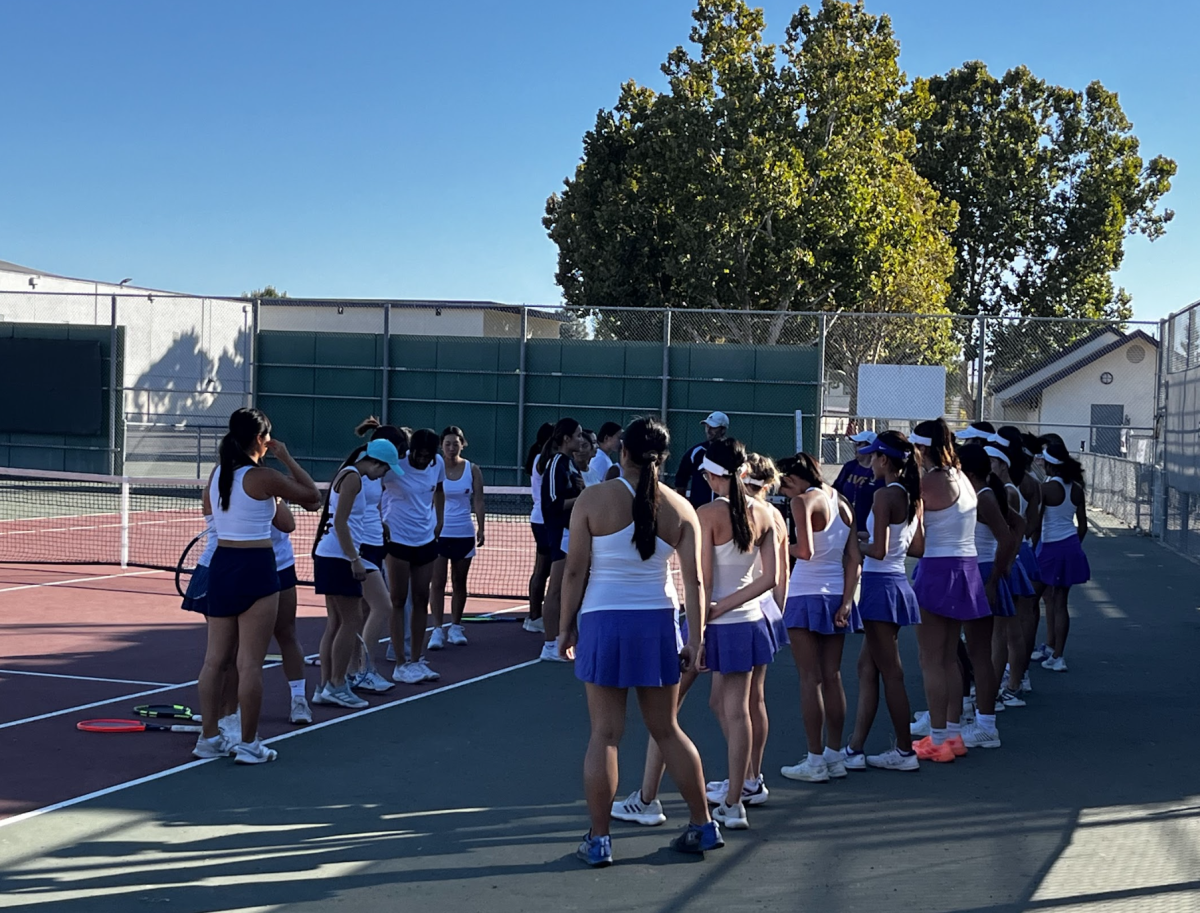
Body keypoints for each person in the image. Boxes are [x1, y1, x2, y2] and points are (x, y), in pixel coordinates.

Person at [558, 417, 722, 865]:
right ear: (664, 458)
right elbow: (695, 584)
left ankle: (599, 840)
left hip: (604, 623)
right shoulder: (682, 508)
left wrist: (564, 626)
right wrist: (696, 638)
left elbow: (574, 570)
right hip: (658, 625)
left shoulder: (593, 499)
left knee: (605, 735)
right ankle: (703, 825)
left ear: (623, 452)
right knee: (667, 729)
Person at [194, 407, 319, 764]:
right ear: (260, 439)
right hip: (256, 567)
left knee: (214, 660)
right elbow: (312, 496)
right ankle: (249, 744)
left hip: (222, 567)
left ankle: (209, 737)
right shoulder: (263, 477)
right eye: (268, 438)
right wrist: (287, 458)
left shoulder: (217, 475)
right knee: (250, 663)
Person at [698, 438, 778, 831]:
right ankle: (740, 787)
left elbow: (703, 582)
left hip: (722, 624)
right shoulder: (765, 513)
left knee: (734, 709)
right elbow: (771, 579)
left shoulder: (707, 514)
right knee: (732, 706)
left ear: (715, 475)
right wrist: (729, 606)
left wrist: (711, 614)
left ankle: (734, 799)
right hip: (748, 622)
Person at [908, 418, 997, 764]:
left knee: (931, 659)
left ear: (922, 449)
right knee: (949, 659)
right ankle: (952, 736)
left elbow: (914, 537)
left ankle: (939, 740)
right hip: (965, 569)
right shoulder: (961, 477)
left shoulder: (928, 481)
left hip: (938, 569)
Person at [776, 452, 861, 783]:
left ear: (792, 479)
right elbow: (853, 558)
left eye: (782, 486)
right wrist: (847, 601)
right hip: (835, 595)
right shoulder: (842, 502)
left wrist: (775, 543)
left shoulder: (802, 502)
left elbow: (805, 551)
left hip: (805, 594)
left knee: (809, 679)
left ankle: (814, 761)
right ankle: (834, 756)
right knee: (832, 676)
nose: (782, 493)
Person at [844, 431, 923, 772]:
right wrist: (868, 538)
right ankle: (855, 747)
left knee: (891, 672)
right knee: (867, 667)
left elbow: (876, 551)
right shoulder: (910, 495)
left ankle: (905, 751)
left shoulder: (882, 496)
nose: (869, 460)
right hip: (895, 582)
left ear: (885, 461)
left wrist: (850, 543)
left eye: (874, 456)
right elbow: (915, 547)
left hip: (881, 587)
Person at [312, 439, 405, 707]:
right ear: (376, 462)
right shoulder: (353, 478)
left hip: (332, 555)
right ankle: (337, 684)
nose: (383, 475)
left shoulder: (350, 475)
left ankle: (327, 685)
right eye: (384, 469)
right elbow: (341, 523)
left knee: (338, 624)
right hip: (338, 557)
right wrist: (354, 559)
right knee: (349, 622)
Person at [958, 442, 1019, 749]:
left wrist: (997, 573)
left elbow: (1008, 535)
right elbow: (1017, 525)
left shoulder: (983, 497)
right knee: (968, 650)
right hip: (976, 570)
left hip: (980, 572)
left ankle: (985, 724)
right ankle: (971, 714)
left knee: (979, 652)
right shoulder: (980, 495)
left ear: (969, 472)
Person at [384, 428, 445, 685]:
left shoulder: (437, 463)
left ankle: (417, 660)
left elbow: (439, 490)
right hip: (397, 539)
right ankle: (400, 662)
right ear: (411, 451)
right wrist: (379, 521)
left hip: (425, 539)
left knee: (421, 599)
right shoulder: (394, 465)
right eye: (419, 455)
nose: (423, 460)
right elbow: (373, 488)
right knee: (398, 600)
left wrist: (439, 520)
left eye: (428, 456)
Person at [351, 418, 408, 681]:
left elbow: (368, 506)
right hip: (360, 548)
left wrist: (381, 523)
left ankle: (355, 669)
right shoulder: (356, 474)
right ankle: (364, 668)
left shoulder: (374, 474)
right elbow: (344, 517)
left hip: (375, 543)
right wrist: (354, 556)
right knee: (381, 607)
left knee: (363, 611)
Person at [987, 429, 1036, 706]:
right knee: (1007, 630)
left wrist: (1005, 563)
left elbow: (1014, 532)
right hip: (1007, 563)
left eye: (992, 462)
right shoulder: (1002, 489)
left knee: (1006, 631)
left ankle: (1013, 683)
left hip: (1007, 565)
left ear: (1002, 465)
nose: (988, 466)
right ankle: (1012, 682)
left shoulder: (1007, 491)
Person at [1033, 440, 1090, 672]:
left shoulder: (1045, 489)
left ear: (1049, 465)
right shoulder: (1077, 488)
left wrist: (1031, 549)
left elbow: (1036, 524)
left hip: (1050, 548)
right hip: (1071, 547)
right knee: (1060, 602)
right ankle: (1057, 653)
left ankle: (1048, 651)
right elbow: (1083, 526)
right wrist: (1074, 546)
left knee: (1031, 600)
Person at [429, 426, 485, 649]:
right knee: (437, 583)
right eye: (447, 443)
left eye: (456, 443)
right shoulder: (434, 467)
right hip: (438, 533)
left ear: (463, 444)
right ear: (441, 445)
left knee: (459, 582)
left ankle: (455, 626)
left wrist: (482, 527)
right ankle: (436, 630)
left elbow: (479, 500)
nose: (451, 448)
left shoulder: (473, 470)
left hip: (463, 532)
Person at [538, 417, 587, 662]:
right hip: (560, 534)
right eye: (578, 435)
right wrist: (583, 498)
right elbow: (553, 504)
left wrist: (582, 491)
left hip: (572, 534)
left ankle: (566, 639)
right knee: (555, 590)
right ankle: (549, 644)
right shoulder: (557, 463)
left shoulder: (570, 465)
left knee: (569, 589)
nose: (581, 439)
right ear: (566, 439)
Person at [269, 499, 314, 724]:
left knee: (286, 632)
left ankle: (299, 699)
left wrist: (275, 497)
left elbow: (289, 523)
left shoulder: (270, 484)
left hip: (280, 565)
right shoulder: (220, 483)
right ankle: (232, 710)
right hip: (242, 569)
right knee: (244, 644)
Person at [524, 422, 555, 634]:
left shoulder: (543, 460)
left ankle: (535, 615)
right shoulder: (545, 461)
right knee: (544, 570)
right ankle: (535, 616)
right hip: (545, 521)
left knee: (542, 569)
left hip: (543, 520)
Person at [674, 411, 729, 508]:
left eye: (713, 427)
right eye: (707, 426)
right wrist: (683, 505)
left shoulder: (731, 451)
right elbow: (681, 479)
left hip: (725, 509)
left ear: (723, 430)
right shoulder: (696, 452)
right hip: (699, 509)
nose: (708, 430)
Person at [833, 430, 884, 533]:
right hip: (847, 526)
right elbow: (836, 489)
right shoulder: (850, 467)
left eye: (859, 444)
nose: (855, 448)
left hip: (868, 528)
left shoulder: (879, 471)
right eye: (855, 444)